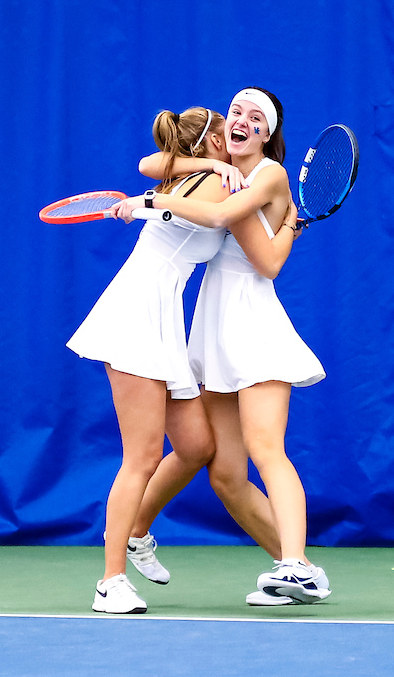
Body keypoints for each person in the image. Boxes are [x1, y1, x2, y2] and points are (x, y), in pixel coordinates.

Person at [112, 87, 330, 607]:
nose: (241, 121)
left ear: (268, 135)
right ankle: (295, 569)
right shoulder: (217, 170)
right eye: (236, 112)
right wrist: (213, 170)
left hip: (255, 327)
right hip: (212, 332)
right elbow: (151, 161)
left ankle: (296, 566)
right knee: (227, 475)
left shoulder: (269, 176)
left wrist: (148, 203)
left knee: (265, 448)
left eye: (256, 118)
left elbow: (260, 256)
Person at [69, 105, 285, 614]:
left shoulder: (190, 173)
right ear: (211, 142)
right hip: (135, 317)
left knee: (195, 446)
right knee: (141, 456)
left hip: (163, 321)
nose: (235, 136)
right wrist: (152, 202)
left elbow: (150, 164)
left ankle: (139, 530)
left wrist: (182, 180)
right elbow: (209, 215)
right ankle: (110, 581)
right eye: (224, 131)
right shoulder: (212, 184)